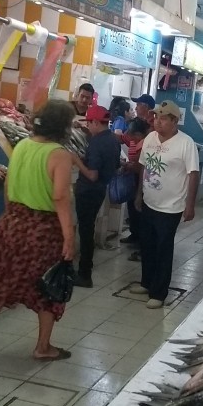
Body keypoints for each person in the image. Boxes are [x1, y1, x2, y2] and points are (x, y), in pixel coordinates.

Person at [0, 100, 76, 366]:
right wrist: (69, 236)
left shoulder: (21, 146)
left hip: (11, 223)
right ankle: (43, 347)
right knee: (49, 287)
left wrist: (12, 217)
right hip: (43, 230)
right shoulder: (59, 155)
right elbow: (60, 198)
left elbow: (8, 185)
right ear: (63, 127)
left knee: (1, 285)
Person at [131, 101, 199, 309]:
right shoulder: (150, 138)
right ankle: (146, 282)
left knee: (163, 248)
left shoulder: (186, 143)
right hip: (149, 200)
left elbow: (193, 174)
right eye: (156, 117)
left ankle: (159, 292)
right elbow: (143, 166)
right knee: (147, 244)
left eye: (163, 118)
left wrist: (190, 205)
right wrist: (139, 194)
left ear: (174, 121)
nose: (157, 121)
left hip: (171, 207)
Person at [72, 105, 122, 288]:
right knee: (88, 229)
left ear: (95, 122)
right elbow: (116, 165)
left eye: (89, 123)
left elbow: (92, 175)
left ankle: (84, 274)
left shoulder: (96, 143)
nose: (88, 127)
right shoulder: (113, 140)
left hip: (87, 191)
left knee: (85, 231)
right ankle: (85, 269)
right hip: (100, 191)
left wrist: (76, 160)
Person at [120, 117, 150, 258]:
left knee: (140, 213)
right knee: (134, 210)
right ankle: (136, 236)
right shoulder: (139, 143)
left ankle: (142, 245)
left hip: (142, 183)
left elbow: (140, 167)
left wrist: (128, 165)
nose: (129, 137)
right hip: (137, 180)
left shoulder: (145, 145)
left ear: (138, 135)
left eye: (131, 135)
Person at [69, 83, 95, 159]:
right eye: (82, 96)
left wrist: (88, 132)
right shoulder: (67, 107)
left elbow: (95, 135)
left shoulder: (93, 113)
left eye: (87, 98)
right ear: (77, 95)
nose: (84, 100)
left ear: (91, 99)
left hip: (82, 149)